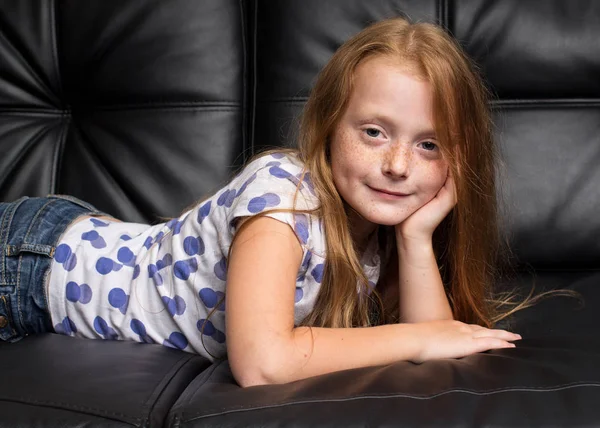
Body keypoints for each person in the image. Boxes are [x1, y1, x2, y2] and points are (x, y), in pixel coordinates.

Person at [1, 16, 531, 388]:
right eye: (373, 132)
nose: (397, 164)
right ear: (327, 127)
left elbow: (437, 347)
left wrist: (416, 240)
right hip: (30, 263)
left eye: (429, 145)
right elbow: (262, 364)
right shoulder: (281, 196)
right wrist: (414, 341)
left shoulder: (381, 233)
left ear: (458, 162)